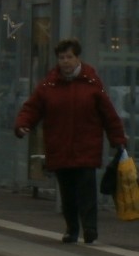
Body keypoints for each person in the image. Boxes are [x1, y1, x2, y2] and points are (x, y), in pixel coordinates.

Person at [14, 38, 127, 244]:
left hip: (86, 148)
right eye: (61, 58)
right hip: (60, 147)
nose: (65, 61)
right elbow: (32, 108)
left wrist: (117, 139)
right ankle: (72, 229)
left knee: (86, 190)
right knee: (68, 194)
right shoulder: (48, 84)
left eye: (69, 57)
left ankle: (90, 228)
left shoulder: (92, 83)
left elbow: (108, 113)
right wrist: (23, 124)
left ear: (78, 58)